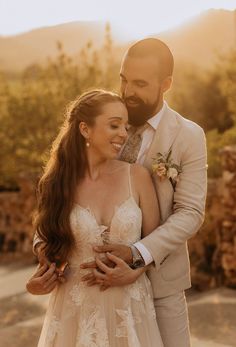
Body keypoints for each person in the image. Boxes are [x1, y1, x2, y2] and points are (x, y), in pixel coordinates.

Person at [31, 38, 207, 346]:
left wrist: (138, 256)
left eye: (140, 84)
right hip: (87, 293)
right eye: (124, 80)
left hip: (160, 285)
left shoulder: (188, 136)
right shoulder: (105, 119)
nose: (128, 92)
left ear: (165, 84)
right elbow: (62, 195)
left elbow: (191, 213)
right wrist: (44, 250)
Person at [28, 89, 164, 346]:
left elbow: (156, 242)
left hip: (130, 310)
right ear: (85, 129)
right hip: (74, 311)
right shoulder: (57, 184)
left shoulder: (137, 177)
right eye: (114, 125)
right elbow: (46, 242)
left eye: (125, 126)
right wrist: (38, 281)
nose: (124, 134)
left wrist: (136, 271)